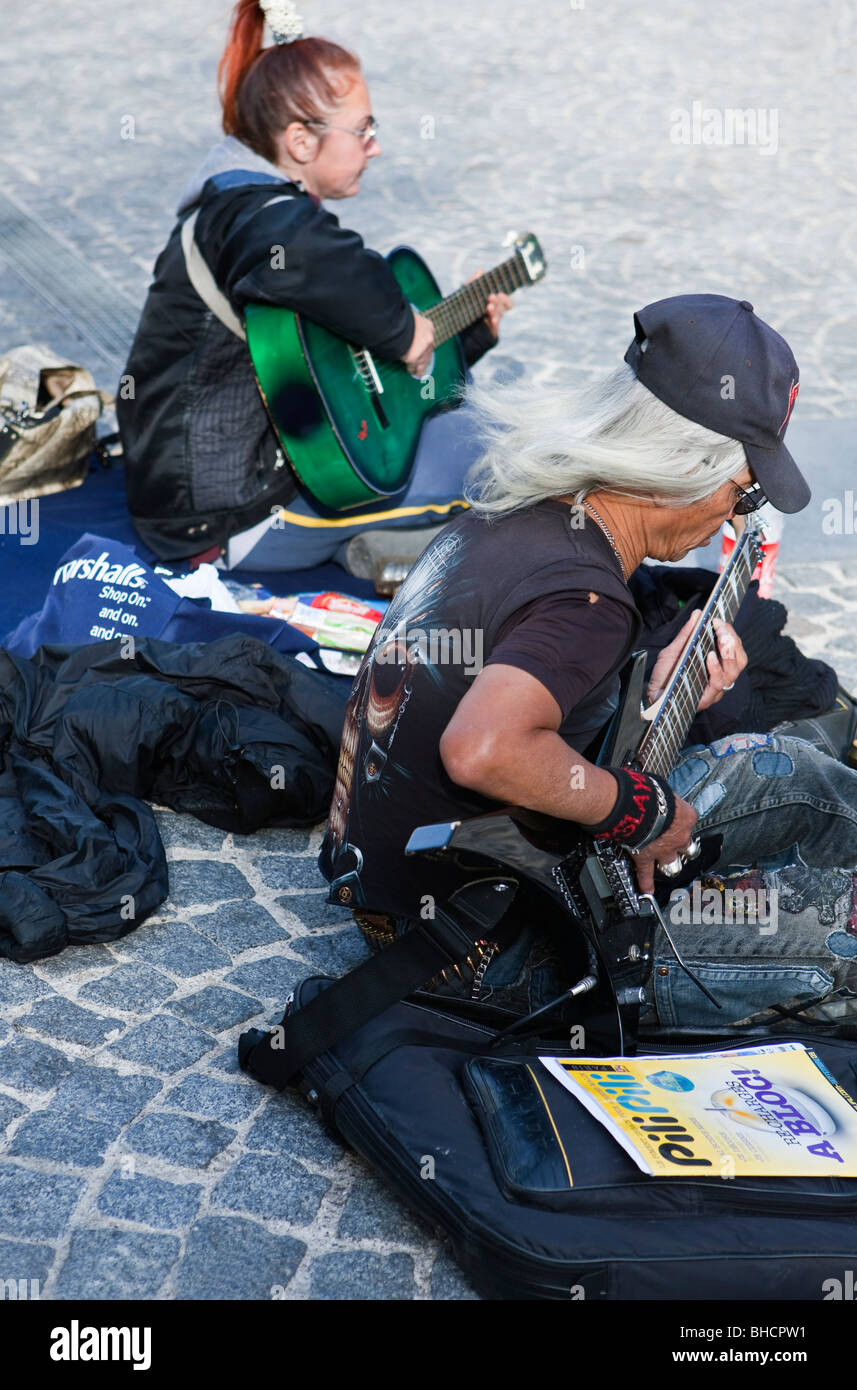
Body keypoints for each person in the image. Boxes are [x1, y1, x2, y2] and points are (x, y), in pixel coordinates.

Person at [319, 292, 857, 1032]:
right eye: (742, 489)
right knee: (842, 941)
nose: (734, 515)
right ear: (684, 469)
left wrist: (656, 698)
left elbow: (537, 716)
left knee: (790, 768)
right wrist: (643, 812)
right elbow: (483, 749)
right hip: (496, 948)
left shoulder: (523, 516)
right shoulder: (588, 599)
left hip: (439, 892)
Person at [117, 0, 512, 571]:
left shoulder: (243, 198)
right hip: (226, 518)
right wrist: (407, 330)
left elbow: (342, 362)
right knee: (504, 451)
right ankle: (416, 551)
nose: (375, 146)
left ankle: (387, 545)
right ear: (301, 142)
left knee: (489, 399)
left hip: (235, 484)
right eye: (363, 130)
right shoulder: (257, 220)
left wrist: (461, 339)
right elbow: (312, 257)